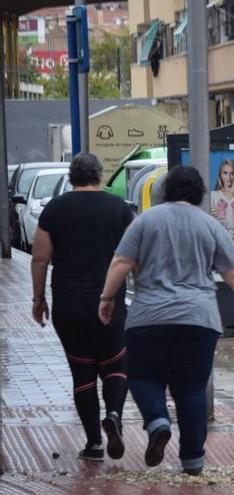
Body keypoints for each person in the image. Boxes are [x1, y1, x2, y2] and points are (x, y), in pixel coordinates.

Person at [98, 166, 234, 476]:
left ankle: (157, 421)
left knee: (143, 377)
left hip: (149, 317)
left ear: (166, 190)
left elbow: (121, 261)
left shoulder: (145, 220)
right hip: (199, 318)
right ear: (199, 194)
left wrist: (106, 298)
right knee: (191, 390)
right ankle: (193, 461)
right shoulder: (210, 225)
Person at [31, 153, 131, 462]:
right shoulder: (119, 209)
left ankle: (94, 444)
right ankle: (113, 415)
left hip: (69, 305)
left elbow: (39, 259)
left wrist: (38, 299)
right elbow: (133, 256)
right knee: (115, 366)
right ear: (100, 176)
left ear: (72, 177)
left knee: (82, 371)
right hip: (110, 302)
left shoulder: (54, 210)